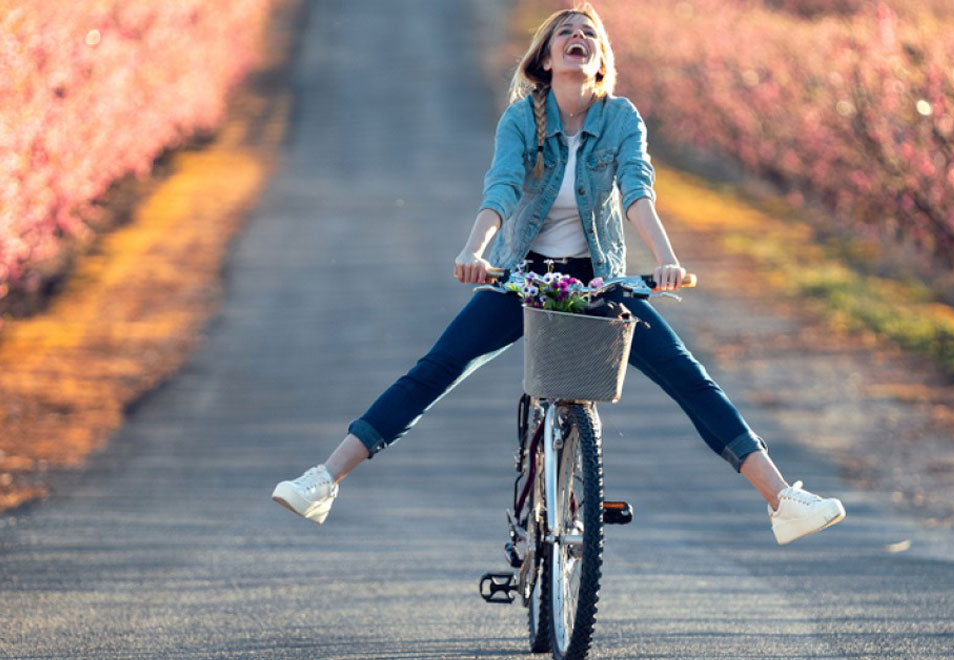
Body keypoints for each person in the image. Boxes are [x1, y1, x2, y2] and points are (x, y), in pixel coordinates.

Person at [272, 3, 844, 546]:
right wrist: (475, 250)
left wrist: (666, 260)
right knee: (436, 370)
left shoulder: (620, 118)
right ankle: (324, 480)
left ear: (600, 60)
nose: (579, 37)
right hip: (526, 279)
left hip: (599, 282)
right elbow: (500, 187)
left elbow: (637, 190)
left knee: (690, 378)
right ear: (546, 57)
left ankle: (782, 502)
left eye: (590, 33)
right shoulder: (522, 118)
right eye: (566, 31)